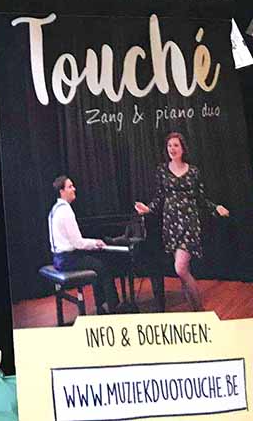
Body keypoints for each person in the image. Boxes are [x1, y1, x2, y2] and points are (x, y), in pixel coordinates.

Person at [134, 132, 230, 311]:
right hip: (171, 225)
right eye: (169, 145)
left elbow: (200, 198)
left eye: (176, 145)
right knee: (183, 273)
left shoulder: (193, 171)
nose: (172, 149)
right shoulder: (162, 171)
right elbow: (160, 197)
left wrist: (215, 207)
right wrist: (148, 209)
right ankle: (195, 312)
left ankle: (200, 312)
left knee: (180, 268)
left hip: (189, 223)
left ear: (183, 148)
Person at [48, 175, 120, 315]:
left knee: (96, 263)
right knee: (102, 267)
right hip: (67, 260)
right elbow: (78, 243)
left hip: (58, 258)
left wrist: (92, 244)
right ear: (62, 191)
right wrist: (95, 242)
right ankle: (113, 307)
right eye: (70, 187)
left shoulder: (55, 209)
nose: (74, 189)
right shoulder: (66, 211)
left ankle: (102, 306)